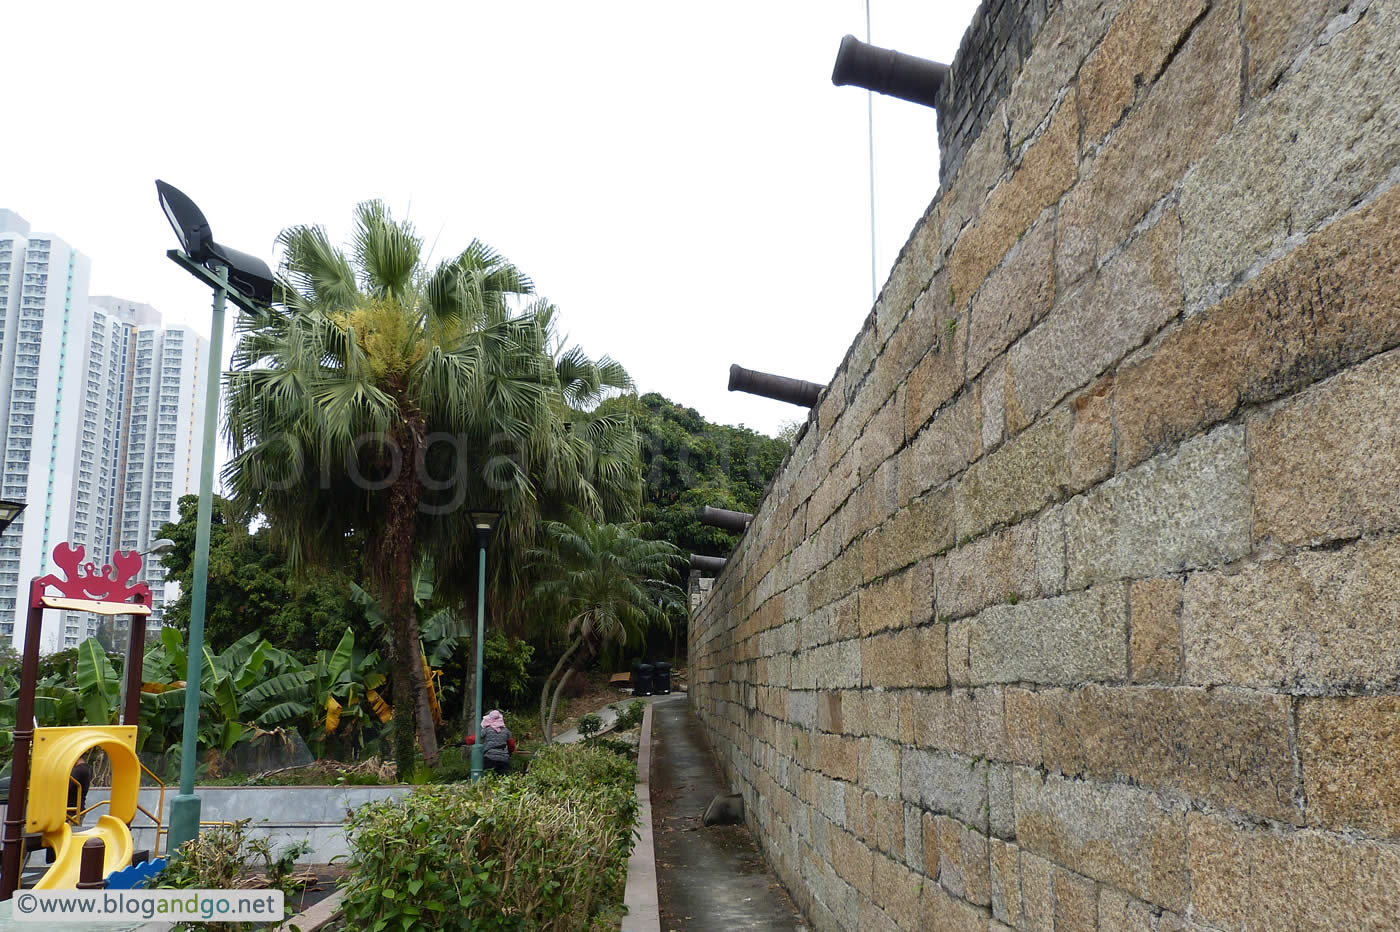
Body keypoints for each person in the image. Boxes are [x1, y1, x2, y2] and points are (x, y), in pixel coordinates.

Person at [464, 710, 515, 776]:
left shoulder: (487, 729)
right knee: (504, 779)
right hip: (504, 759)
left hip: (489, 758)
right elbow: (511, 745)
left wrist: (463, 742)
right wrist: (509, 753)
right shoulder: (506, 731)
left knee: (487, 777)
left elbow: (474, 739)